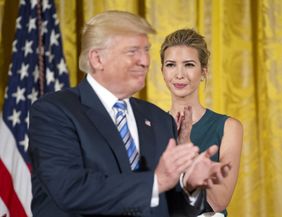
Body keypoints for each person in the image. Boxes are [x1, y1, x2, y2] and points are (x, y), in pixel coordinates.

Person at [29, 11, 230, 217]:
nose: (144, 61)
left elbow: (168, 208)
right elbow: (70, 190)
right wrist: (156, 181)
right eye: (132, 51)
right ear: (97, 58)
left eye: (146, 50)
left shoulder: (160, 120)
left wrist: (190, 187)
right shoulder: (54, 111)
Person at [160, 29, 243, 216]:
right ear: (163, 71)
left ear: (203, 71)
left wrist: (186, 146)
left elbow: (219, 201)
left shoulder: (228, 127)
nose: (179, 74)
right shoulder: (151, 126)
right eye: (171, 65)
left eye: (189, 65)